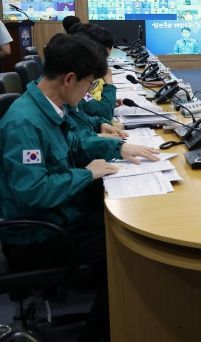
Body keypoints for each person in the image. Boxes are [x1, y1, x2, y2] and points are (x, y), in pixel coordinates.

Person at [0, 33, 158, 342]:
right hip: (36, 237)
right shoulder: (24, 122)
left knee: (125, 224)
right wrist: (86, 174)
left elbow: (72, 142)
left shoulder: (44, 107)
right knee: (129, 252)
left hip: (59, 217)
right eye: (88, 84)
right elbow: (33, 191)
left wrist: (116, 147)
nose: (88, 92)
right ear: (70, 79)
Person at [68, 23, 121, 126]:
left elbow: (82, 118)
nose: (103, 64)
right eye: (103, 59)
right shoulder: (78, 79)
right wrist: (109, 83)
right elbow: (104, 113)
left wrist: (101, 124)